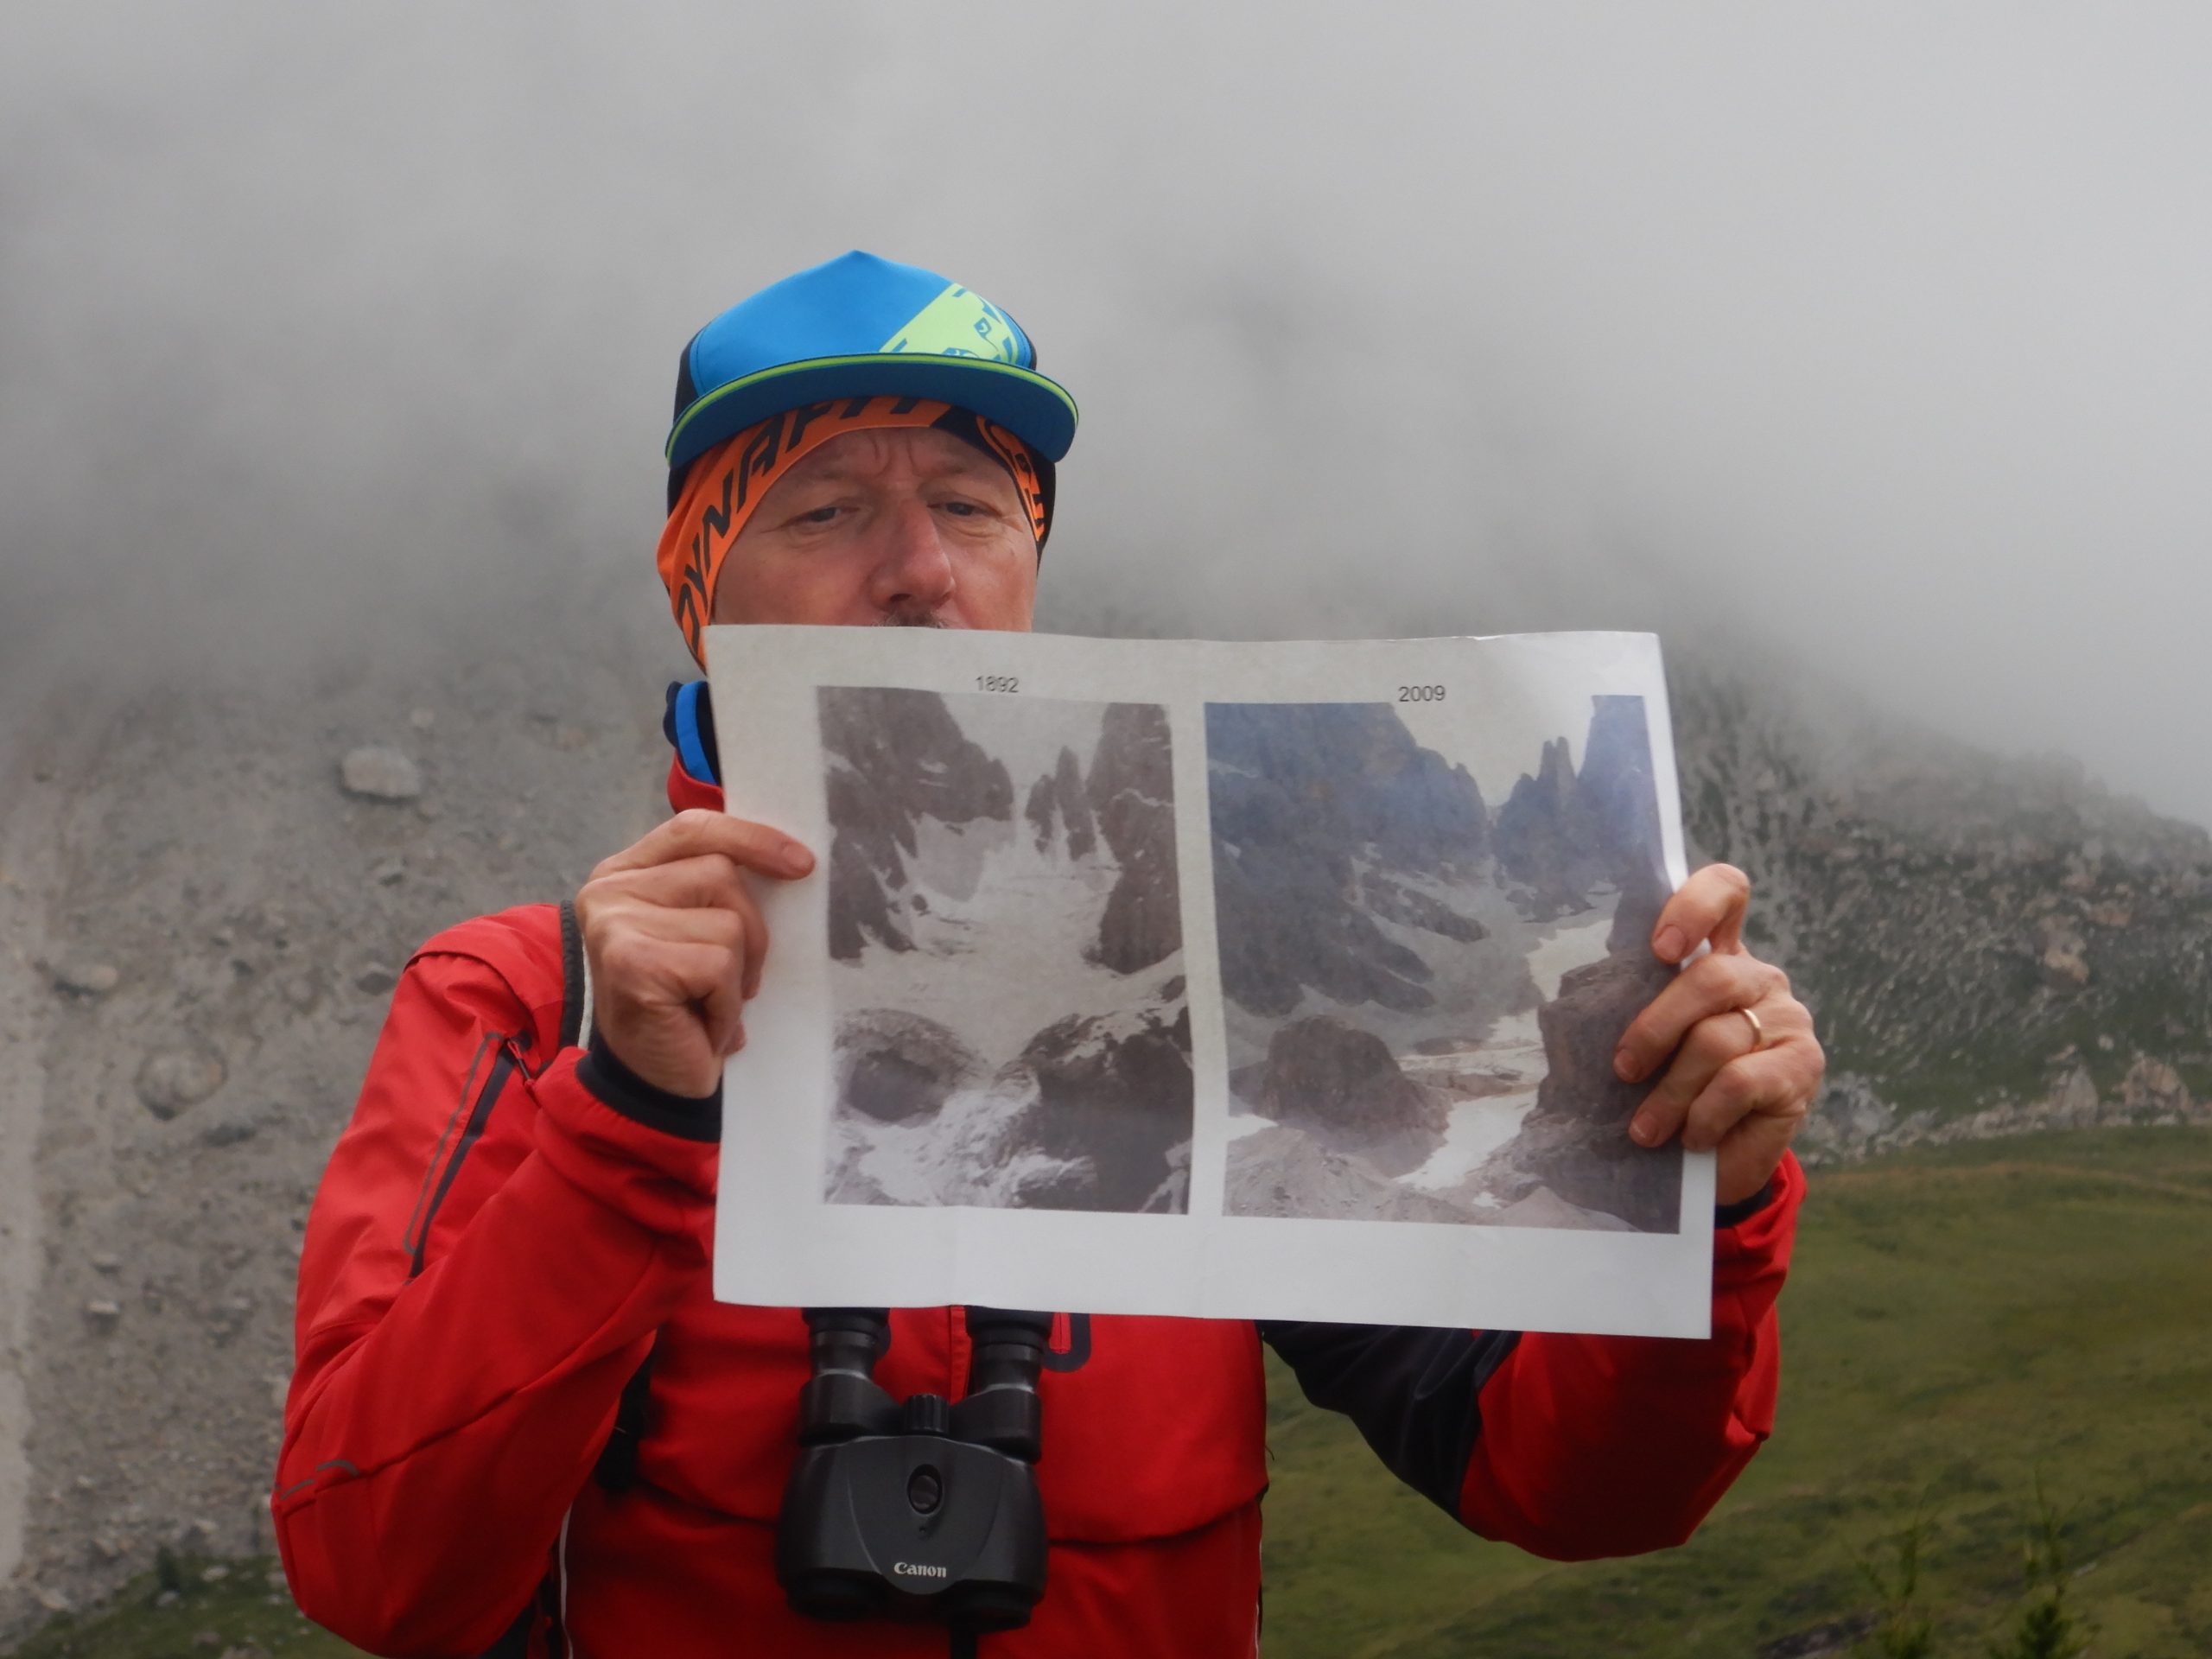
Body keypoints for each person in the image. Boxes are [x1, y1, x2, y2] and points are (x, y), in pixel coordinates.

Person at [273, 251, 1825, 1657]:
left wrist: (1707, 1184)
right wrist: (625, 1118)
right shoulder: (518, 1000)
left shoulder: (1226, 974)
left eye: (971, 505)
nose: (917, 570)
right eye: (821, 510)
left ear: (1029, 560)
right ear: (700, 591)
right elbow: (373, 1571)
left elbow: (1571, 1488)